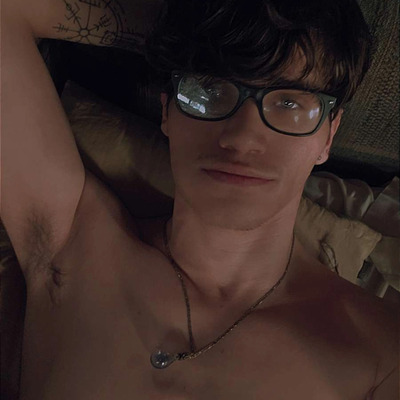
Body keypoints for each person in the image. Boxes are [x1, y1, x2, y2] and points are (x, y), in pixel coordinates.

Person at [2, 0, 398, 398]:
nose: (242, 138)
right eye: (209, 88)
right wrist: (189, 34)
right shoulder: (73, 242)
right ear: (167, 110)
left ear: (328, 135)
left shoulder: (379, 355)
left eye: (289, 103)